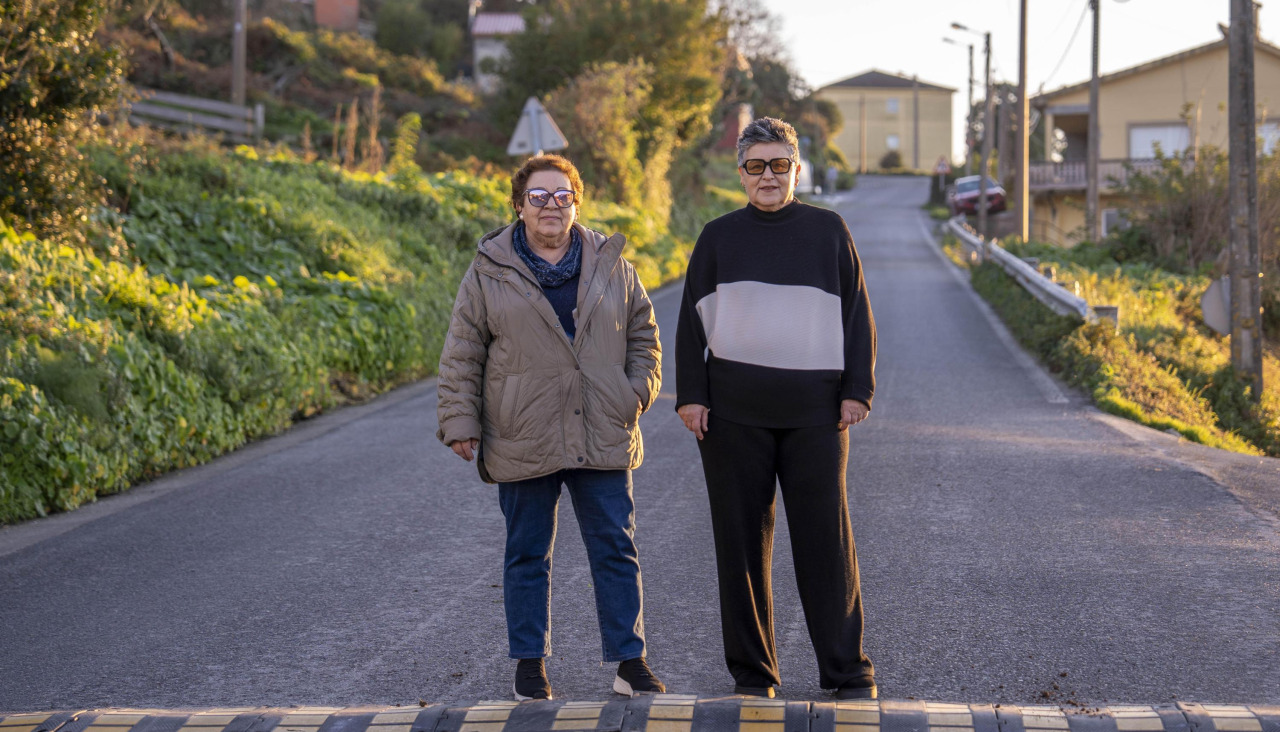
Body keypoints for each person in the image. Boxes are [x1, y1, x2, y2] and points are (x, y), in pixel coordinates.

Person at [437, 154, 665, 702]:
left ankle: (629, 662)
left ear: (577, 202)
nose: (551, 206)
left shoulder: (612, 263)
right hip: (523, 428)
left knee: (614, 546)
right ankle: (529, 664)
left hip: (602, 425)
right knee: (527, 551)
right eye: (539, 196)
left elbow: (644, 335)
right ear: (519, 205)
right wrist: (460, 421)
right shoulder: (489, 270)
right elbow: (463, 351)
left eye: (562, 195)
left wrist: (635, 392)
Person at [674, 117, 878, 700]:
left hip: (817, 415)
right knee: (740, 548)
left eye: (780, 165)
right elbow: (691, 321)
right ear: (741, 174)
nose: (769, 176)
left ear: (796, 169)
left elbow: (857, 313)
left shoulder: (828, 231)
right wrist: (692, 396)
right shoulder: (717, 236)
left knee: (826, 543)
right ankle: (754, 676)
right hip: (734, 417)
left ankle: (847, 672)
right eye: (756, 166)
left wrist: (856, 390)